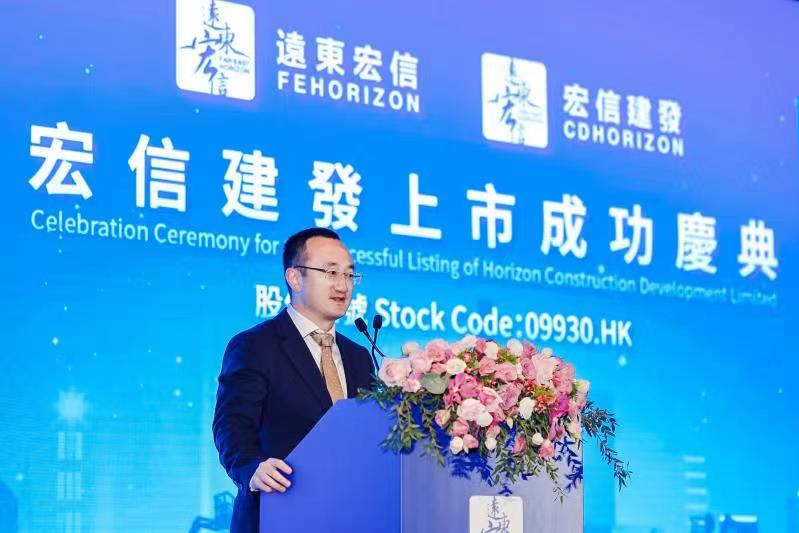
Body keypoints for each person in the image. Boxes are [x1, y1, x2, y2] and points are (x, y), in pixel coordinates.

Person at [212, 227, 374, 533]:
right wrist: (251, 469)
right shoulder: (255, 345)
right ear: (295, 278)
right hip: (277, 511)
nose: (343, 285)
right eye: (331, 272)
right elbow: (232, 424)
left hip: (349, 516)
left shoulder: (359, 356)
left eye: (349, 274)